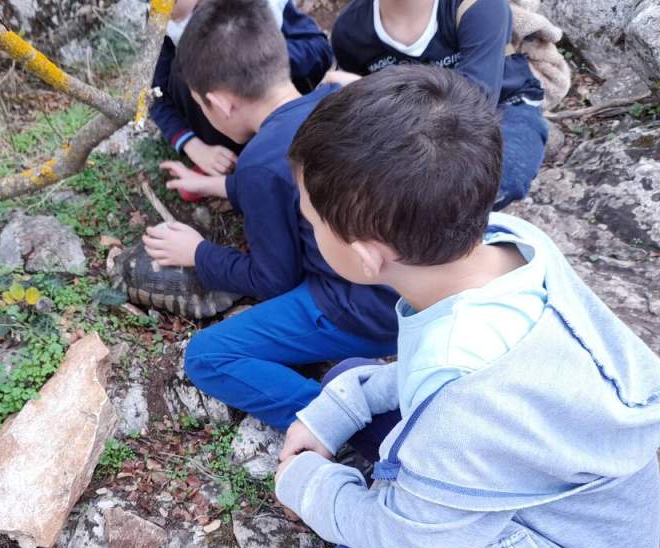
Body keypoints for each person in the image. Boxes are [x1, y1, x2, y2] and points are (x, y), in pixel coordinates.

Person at [276, 64, 660, 548]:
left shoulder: (465, 401)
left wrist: (308, 483)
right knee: (350, 381)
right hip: (577, 487)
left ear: (367, 257)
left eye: (313, 221)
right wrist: (339, 407)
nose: (310, 228)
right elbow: (435, 374)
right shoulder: (512, 243)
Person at [142, 0, 398, 431]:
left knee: (207, 356)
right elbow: (292, 182)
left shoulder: (260, 161)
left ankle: (349, 424)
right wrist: (223, 185)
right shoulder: (336, 98)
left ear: (219, 103)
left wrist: (199, 253)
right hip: (408, 285)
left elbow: (273, 278)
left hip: (360, 310)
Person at [327, 0, 548, 208]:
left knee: (499, 177)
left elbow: (476, 110)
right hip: (404, 123)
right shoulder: (350, 30)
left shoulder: (478, 7)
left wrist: (366, 88)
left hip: (503, 106)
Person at [150, 0, 332, 182]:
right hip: (226, 132)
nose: (159, 6)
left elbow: (320, 49)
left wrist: (253, 63)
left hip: (279, 107)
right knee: (181, 71)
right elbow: (152, 93)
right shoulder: (162, 21)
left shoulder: (264, 6)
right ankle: (232, 166)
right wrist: (193, 145)